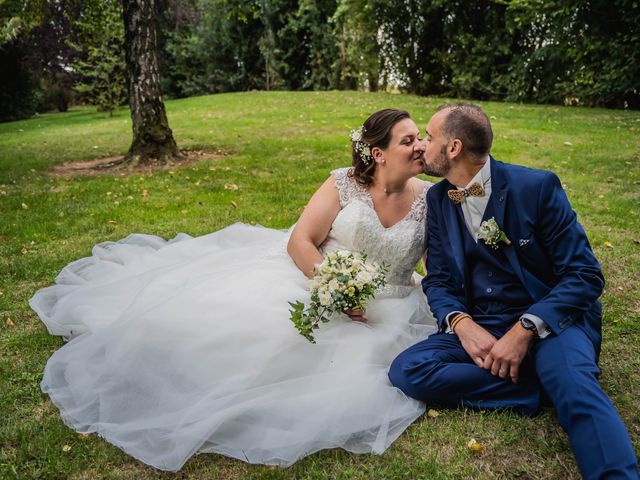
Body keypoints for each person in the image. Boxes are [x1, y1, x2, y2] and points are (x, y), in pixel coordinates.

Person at [30, 108, 437, 471]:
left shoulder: (429, 200)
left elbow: (434, 264)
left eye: (420, 137)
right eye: (408, 140)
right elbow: (301, 242)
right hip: (317, 279)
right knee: (252, 337)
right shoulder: (344, 184)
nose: (420, 146)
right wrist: (337, 288)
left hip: (394, 304)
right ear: (378, 153)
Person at [389, 103, 639, 480]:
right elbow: (438, 279)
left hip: (552, 321)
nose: (422, 144)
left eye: (428, 136)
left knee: (577, 389)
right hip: (484, 321)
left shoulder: (536, 188)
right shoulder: (440, 199)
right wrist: (462, 324)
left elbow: (585, 275)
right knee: (409, 370)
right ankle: (539, 386)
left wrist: (525, 329)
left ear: (453, 148)